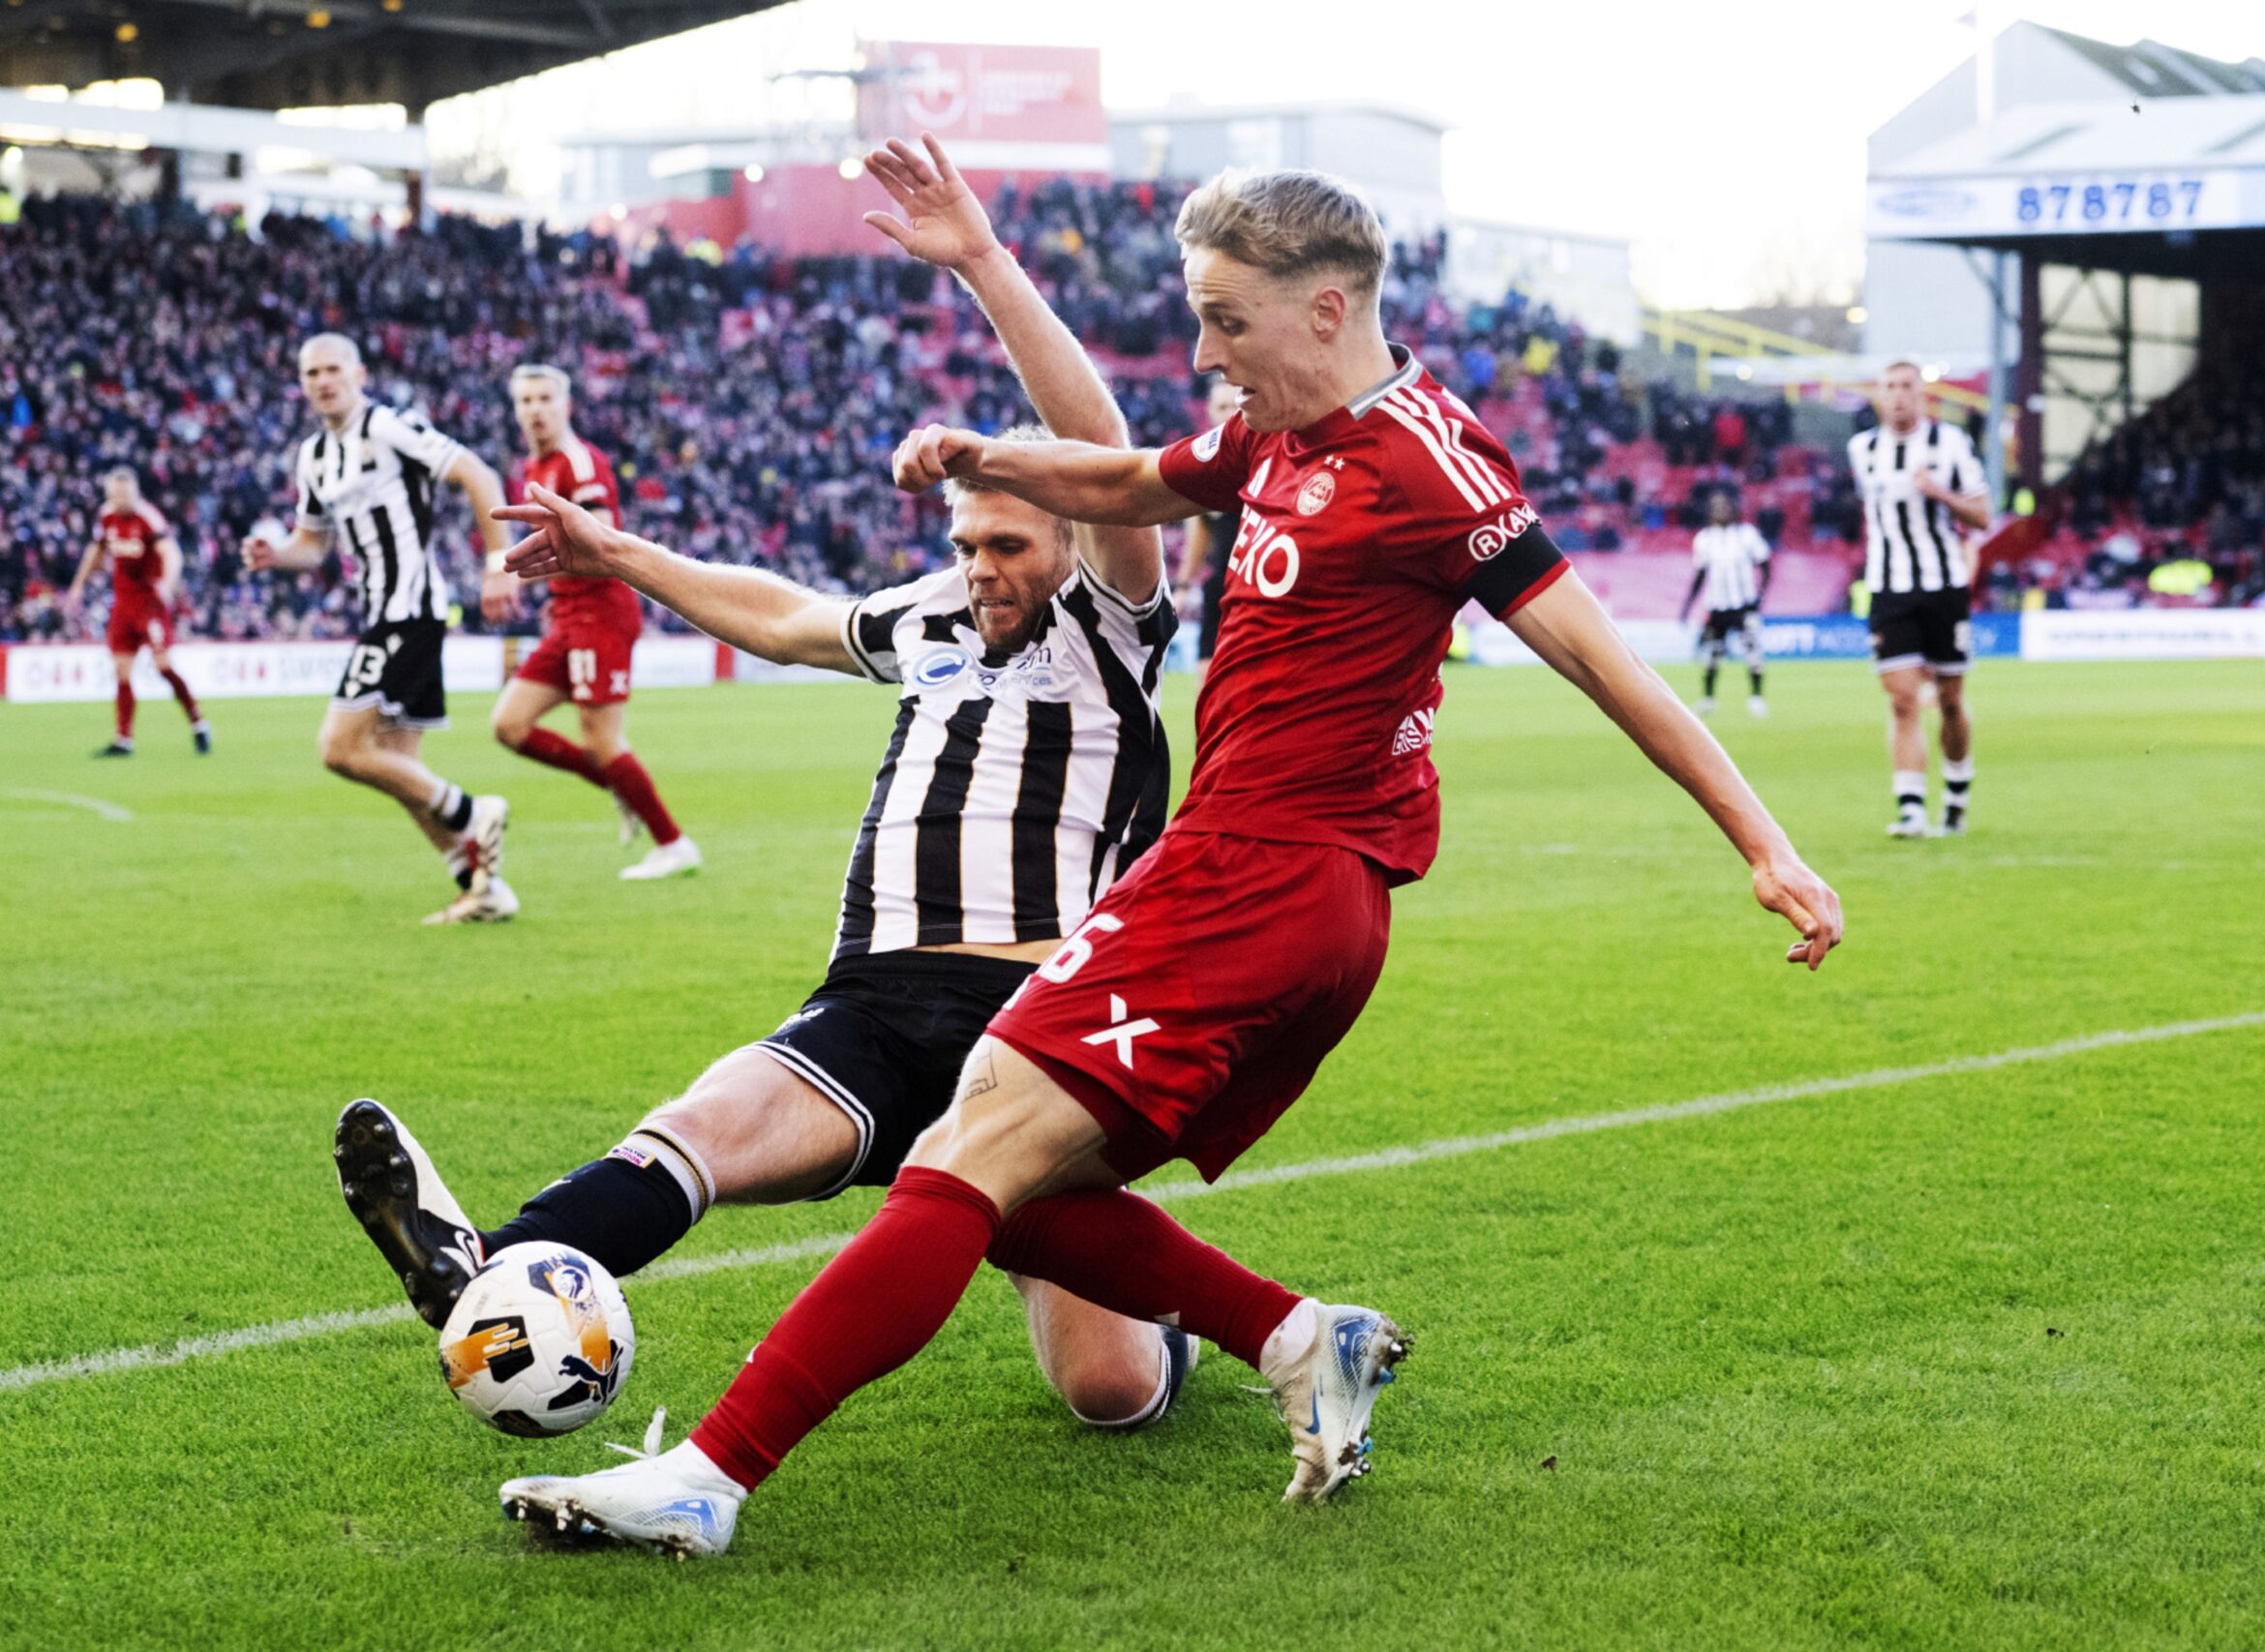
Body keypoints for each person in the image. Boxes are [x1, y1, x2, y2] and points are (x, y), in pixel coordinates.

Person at [488, 164, 1846, 1556]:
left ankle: (710, 1474)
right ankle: (1304, 1336)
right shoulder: (1277, 438)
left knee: (963, 1153)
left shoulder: (1432, 464)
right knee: (1023, 1190)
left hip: (1265, 871)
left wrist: (1767, 845)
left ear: (1326, 308)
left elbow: (1609, 664)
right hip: (1250, 875)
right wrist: (983, 457)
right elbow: (1131, 472)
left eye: (1224, 322)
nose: (1203, 354)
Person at [335, 134, 1193, 1463]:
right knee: (695, 1132)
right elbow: (788, 616)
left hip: (1037, 1026)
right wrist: (615, 551)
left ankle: (1159, 1313)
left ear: (1073, 532)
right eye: (966, 542)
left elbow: (1103, 445)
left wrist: (979, 261)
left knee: (1109, 1389)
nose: (980, 566)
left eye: (1008, 542)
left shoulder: (1115, 618)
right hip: (875, 1000)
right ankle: (483, 1265)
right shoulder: (930, 616)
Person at [245, 334, 518, 924]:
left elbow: (478, 473)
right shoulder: (313, 455)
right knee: (398, 764)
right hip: (380, 612)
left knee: (339, 749)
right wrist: (276, 554)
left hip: (410, 610)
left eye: (333, 369)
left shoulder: (389, 427)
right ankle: (481, 888)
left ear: (359, 373)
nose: (323, 380)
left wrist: (498, 565)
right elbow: (313, 546)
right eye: (312, 372)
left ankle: (472, 813)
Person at [489, 366, 701, 882]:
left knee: (603, 738)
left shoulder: (579, 463)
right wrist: (552, 588)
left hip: (601, 612)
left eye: (544, 398)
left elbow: (599, 540)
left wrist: (522, 577)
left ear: (566, 405)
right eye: (525, 401)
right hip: (568, 613)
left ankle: (673, 845)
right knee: (510, 726)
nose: (535, 409)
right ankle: (623, 787)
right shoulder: (536, 466)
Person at [1847, 361, 1989, 837]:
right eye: (1890, 388)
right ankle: (1910, 807)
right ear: (1880, 396)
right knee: (1903, 701)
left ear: (1922, 393)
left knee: (1950, 700)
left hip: (1944, 586)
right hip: (1889, 589)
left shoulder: (1949, 444)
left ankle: (1956, 796)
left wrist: (1937, 492)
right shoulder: (1862, 449)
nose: (1899, 395)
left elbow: (1983, 517)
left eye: (1907, 386)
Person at [64, 467, 211, 756]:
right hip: (123, 604)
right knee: (121, 670)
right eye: (116, 494)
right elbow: (96, 550)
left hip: (150, 604)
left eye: (126, 494)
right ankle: (123, 739)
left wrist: (167, 586)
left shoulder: (148, 518)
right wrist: (78, 585)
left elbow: (171, 553)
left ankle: (198, 722)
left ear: (135, 492)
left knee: (162, 666)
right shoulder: (107, 516)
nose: (121, 499)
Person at [1680, 491, 1771, 718]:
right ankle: (1709, 699)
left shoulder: (1746, 535)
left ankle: (1757, 698)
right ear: (1710, 512)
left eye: (1724, 506)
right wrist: (1687, 605)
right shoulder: (1704, 539)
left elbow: (1766, 564)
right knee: (1712, 656)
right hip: (1717, 607)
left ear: (1733, 510)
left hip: (1744, 605)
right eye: (1716, 507)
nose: (1720, 510)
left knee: (1753, 653)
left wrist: (1760, 596)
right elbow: (1700, 574)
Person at [1173, 377, 1244, 666]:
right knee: (1206, 676)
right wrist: (1184, 586)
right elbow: (1199, 533)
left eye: (1234, 406)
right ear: (1210, 412)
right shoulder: (1204, 467)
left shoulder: (1272, 457)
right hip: (1219, 588)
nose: (1228, 414)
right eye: (1221, 406)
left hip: (1260, 589)